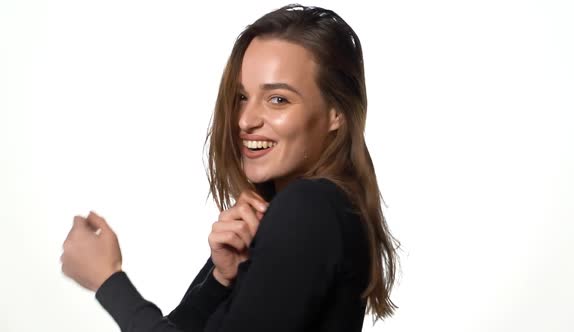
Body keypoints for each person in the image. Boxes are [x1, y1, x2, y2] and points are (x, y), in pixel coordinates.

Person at [60, 3, 401, 331]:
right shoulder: (313, 211)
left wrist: (109, 280)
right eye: (242, 97)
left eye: (278, 99)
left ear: (335, 114)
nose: (245, 120)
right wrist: (221, 280)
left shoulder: (309, 208)